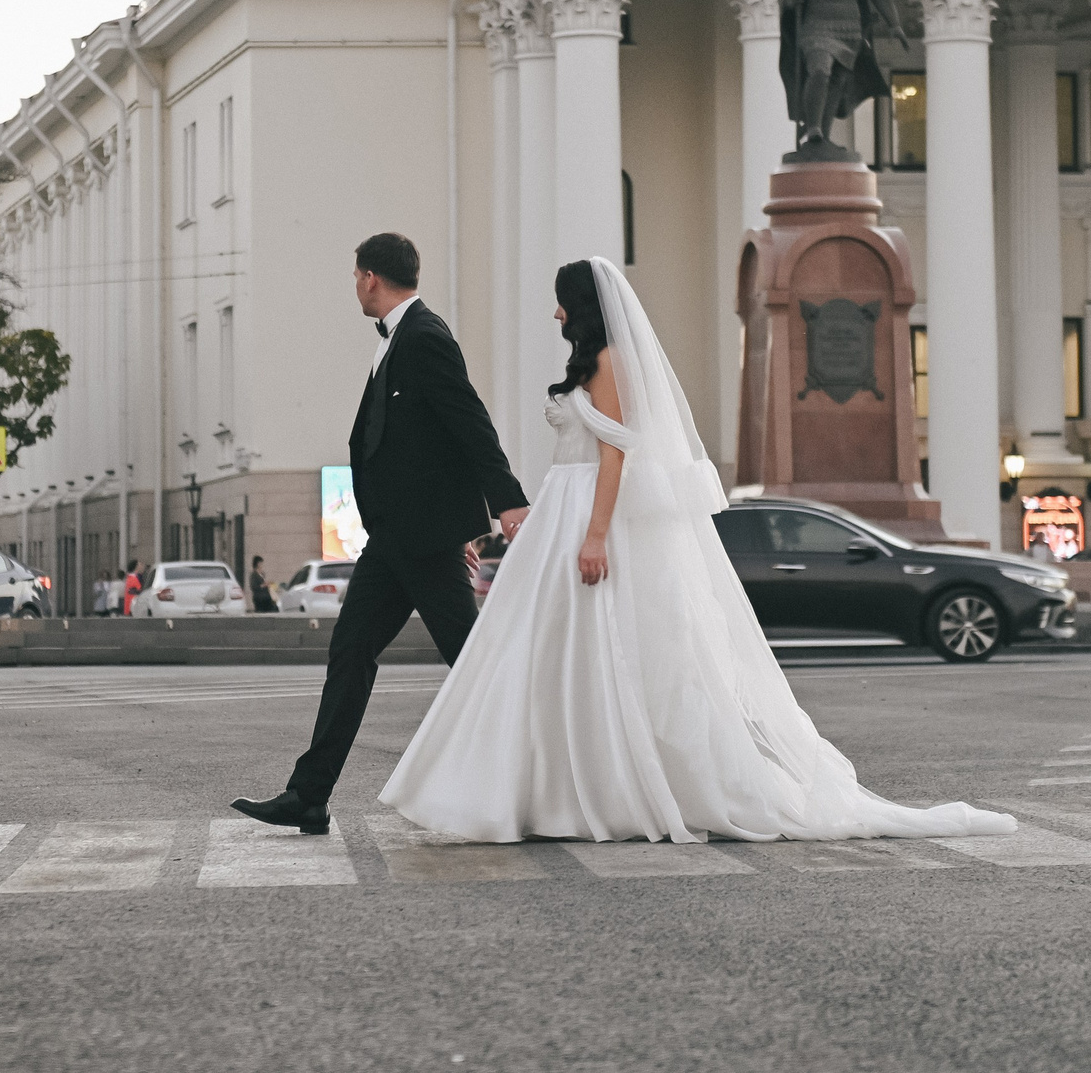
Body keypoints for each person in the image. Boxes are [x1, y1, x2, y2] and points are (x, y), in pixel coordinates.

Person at [378, 257, 1015, 846]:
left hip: (591, 513)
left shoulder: (611, 362)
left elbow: (615, 455)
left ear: (581, 304)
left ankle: (603, 788)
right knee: (549, 652)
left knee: (604, 651)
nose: (555, 312)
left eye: (560, 301)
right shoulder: (590, 363)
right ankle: (550, 787)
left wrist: (596, 536)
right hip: (560, 509)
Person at [231, 232, 531, 836]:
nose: (355, 286)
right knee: (351, 652)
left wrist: (506, 503)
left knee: (472, 660)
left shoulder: (424, 336)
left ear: (370, 277)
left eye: (355, 277)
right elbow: (427, 443)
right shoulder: (401, 338)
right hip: (396, 538)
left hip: (420, 540)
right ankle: (308, 795)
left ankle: (539, 774)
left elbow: (469, 422)